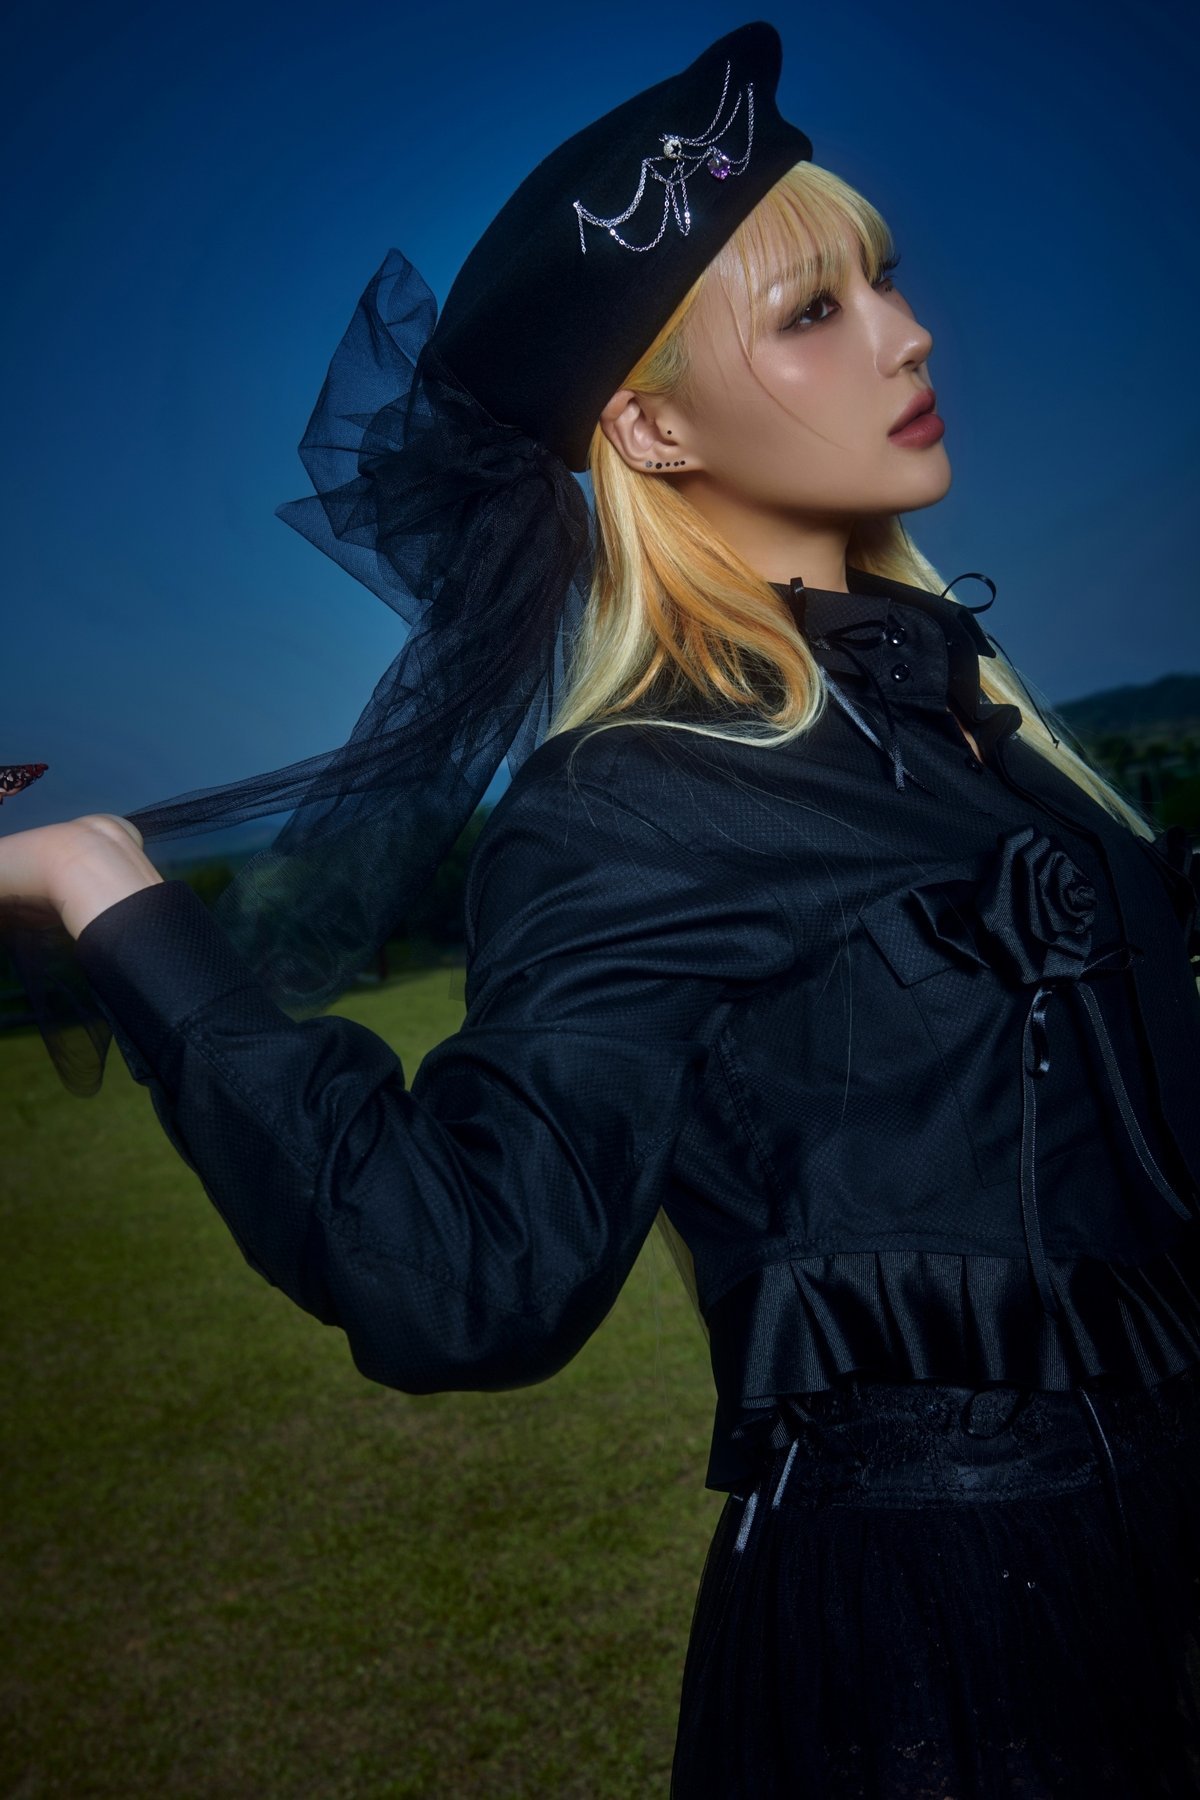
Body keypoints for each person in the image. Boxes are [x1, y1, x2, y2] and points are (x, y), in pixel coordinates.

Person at [5, 19, 1200, 1796]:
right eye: (814, 310)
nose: (908, 334)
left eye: (884, 281)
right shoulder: (638, 795)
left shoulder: (996, 738)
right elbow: (464, 1274)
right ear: (648, 425)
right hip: (938, 1648)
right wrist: (104, 884)